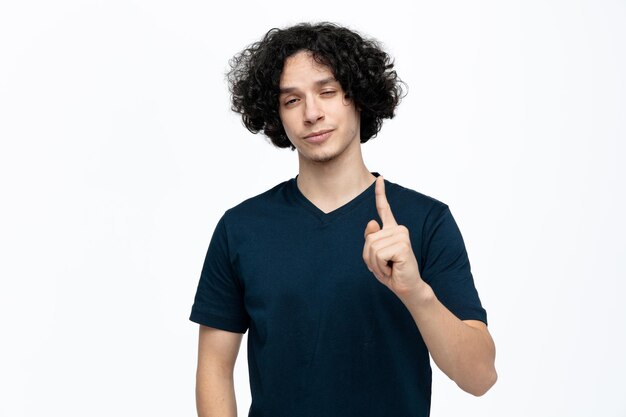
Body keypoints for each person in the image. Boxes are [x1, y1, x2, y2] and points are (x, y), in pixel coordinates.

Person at [189, 22, 497, 417]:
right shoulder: (241, 228)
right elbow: (214, 367)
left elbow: (480, 377)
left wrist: (416, 292)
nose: (312, 114)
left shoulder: (424, 222)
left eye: (328, 92)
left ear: (359, 99)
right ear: (275, 114)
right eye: (292, 101)